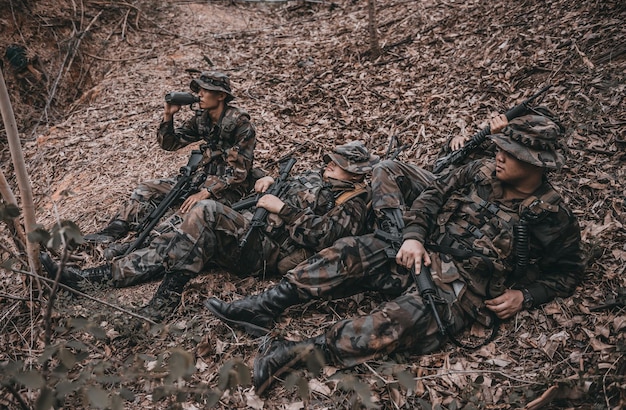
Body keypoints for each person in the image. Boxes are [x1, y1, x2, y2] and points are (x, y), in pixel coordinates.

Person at [204, 110, 585, 394]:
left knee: (394, 323)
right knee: (350, 250)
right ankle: (265, 305)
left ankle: (293, 353)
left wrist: (525, 295)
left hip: (461, 288)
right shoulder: (480, 170)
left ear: (535, 163)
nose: (499, 155)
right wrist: (414, 236)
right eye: (500, 147)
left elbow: (567, 273)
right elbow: (431, 197)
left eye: (510, 152)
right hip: (418, 253)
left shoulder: (553, 215)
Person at [42, 141, 380, 322]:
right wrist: (267, 179)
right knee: (181, 242)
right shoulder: (318, 178)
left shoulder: (353, 202)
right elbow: (277, 182)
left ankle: (167, 298)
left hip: (270, 252)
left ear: (353, 174)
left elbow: (326, 238)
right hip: (254, 233)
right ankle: (91, 278)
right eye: (330, 161)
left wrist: (282, 209)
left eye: (335, 164)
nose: (327, 165)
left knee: (205, 211)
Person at [84, 71, 256, 243]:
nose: (200, 94)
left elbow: (239, 173)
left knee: (184, 213)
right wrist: (169, 116)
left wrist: (206, 192)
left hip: (227, 188)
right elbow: (170, 144)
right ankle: (114, 230)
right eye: (199, 90)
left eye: (206, 90)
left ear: (221, 95)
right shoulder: (202, 119)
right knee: (146, 188)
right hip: (202, 178)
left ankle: (149, 244)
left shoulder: (240, 122)